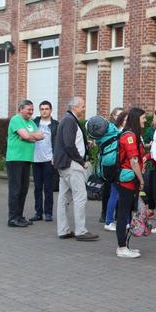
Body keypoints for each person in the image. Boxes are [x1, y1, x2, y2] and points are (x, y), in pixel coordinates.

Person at [53, 97, 99, 241]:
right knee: (80, 196)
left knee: (64, 197)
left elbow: (70, 142)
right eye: (83, 106)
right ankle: (80, 231)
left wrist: (86, 144)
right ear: (76, 107)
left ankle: (63, 230)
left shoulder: (67, 119)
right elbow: (69, 144)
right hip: (72, 165)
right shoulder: (69, 120)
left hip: (65, 165)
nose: (84, 109)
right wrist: (81, 161)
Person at [6, 100, 45, 227]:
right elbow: (25, 136)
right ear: (21, 109)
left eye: (32, 109)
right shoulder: (16, 119)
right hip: (15, 159)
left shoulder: (31, 122)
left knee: (23, 189)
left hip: (27, 159)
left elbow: (41, 136)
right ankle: (12, 219)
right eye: (29, 109)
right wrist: (29, 136)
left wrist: (29, 136)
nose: (31, 112)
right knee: (15, 190)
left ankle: (19, 216)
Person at [114, 108, 146, 258]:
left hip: (129, 180)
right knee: (123, 213)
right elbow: (133, 161)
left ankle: (125, 245)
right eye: (143, 118)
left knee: (126, 213)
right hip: (127, 180)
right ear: (136, 119)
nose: (145, 120)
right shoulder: (130, 137)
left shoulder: (132, 135)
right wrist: (141, 180)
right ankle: (121, 247)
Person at [31, 100, 59, 222]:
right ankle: (38, 213)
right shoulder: (34, 122)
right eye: (42, 109)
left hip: (48, 160)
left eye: (46, 109)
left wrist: (55, 157)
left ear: (51, 110)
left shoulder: (56, 125)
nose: (44, 111)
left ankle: (48, 213)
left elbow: (58, 143)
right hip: (35, 159)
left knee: (48, 188)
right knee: (37, 188)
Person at [104, 110, 128, 231]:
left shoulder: (111, 131)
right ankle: (112, 221)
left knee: (117, 194)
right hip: (120, 168)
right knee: (120, 194)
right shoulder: (121, 133)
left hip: (114, 167)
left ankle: (111, 220)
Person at [100, 107, 124, 224]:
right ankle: (105, 214)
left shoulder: (125, 129)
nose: (120, 117)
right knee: (108, 190)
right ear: (113, 116)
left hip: (120, 164)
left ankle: (116, 216)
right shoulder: (109, 129)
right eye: (118, 115)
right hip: (110, 164)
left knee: (117, 192)